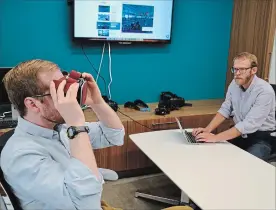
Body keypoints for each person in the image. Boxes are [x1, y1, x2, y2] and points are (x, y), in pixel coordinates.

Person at [0, 59, 125, 210]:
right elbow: (87, 205)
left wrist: (96, 102)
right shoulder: (21, 156)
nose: (69, 97)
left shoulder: (59, 129)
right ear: (33, 104)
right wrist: (77, 125)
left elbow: (113, 136)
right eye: (58, 91)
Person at [193, 52, 276, 160]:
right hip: (240, 134)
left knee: (245, 164)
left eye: (242, 69)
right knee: (213, 153)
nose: (237, 73)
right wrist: (207, 129)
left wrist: (216, 137)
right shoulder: (234, 83)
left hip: (261, 138)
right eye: (235, 69)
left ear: (253, 70)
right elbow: (226, 108)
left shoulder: (264, 91)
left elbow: (248, 124)